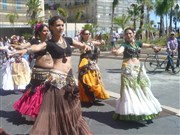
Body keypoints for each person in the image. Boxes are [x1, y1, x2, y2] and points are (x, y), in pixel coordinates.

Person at [12, 15, 92, 135]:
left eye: (62, 25)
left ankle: (69, 130)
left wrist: (85, 46)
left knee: (73, 106)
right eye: (57, 25)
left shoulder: (68, 40)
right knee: (60, 107)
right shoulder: (48, 43)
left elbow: (81, 45)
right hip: (57, 79)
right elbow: (36, 47)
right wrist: (26, 50)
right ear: (51, 27)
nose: (60, 27)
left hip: (69, 77)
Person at [111, 27, 162, 123]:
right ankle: (130, 111)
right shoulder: (124, 44)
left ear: (133, 34)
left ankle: (146, 109)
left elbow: (147, 45)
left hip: (138, 69)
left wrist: (153, 46)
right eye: (126, 34)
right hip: (128, 70)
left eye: (130, 33)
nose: (128, 35)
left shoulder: (138, 43)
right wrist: (115, 52)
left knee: (143, 88)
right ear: (124, 36)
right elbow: (119, 51)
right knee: (129, 91)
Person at [13, 23, 52, 119]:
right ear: (39, 32)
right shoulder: (35, 41)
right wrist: (17, 46)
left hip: (51, 70)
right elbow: (24, 46)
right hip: (39, 69)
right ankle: (34, 110)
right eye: (44, 31)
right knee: (37, 90)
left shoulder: (51, 41)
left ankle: (47, 110)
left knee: (48, 91)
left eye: (47, 30)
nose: (46, 32)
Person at [78, 29, 110, 104]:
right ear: (82, 35)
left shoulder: (92, 42)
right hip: (85, 63)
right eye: (86, 34)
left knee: (95, 79)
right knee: (87, 80)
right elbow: (79, 50)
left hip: (93, 63)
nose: (88, 35)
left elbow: (101, 43)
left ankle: (93, 96)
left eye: (89, 34)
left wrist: (102, 41)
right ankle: (88, 97)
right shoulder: (81, 43)